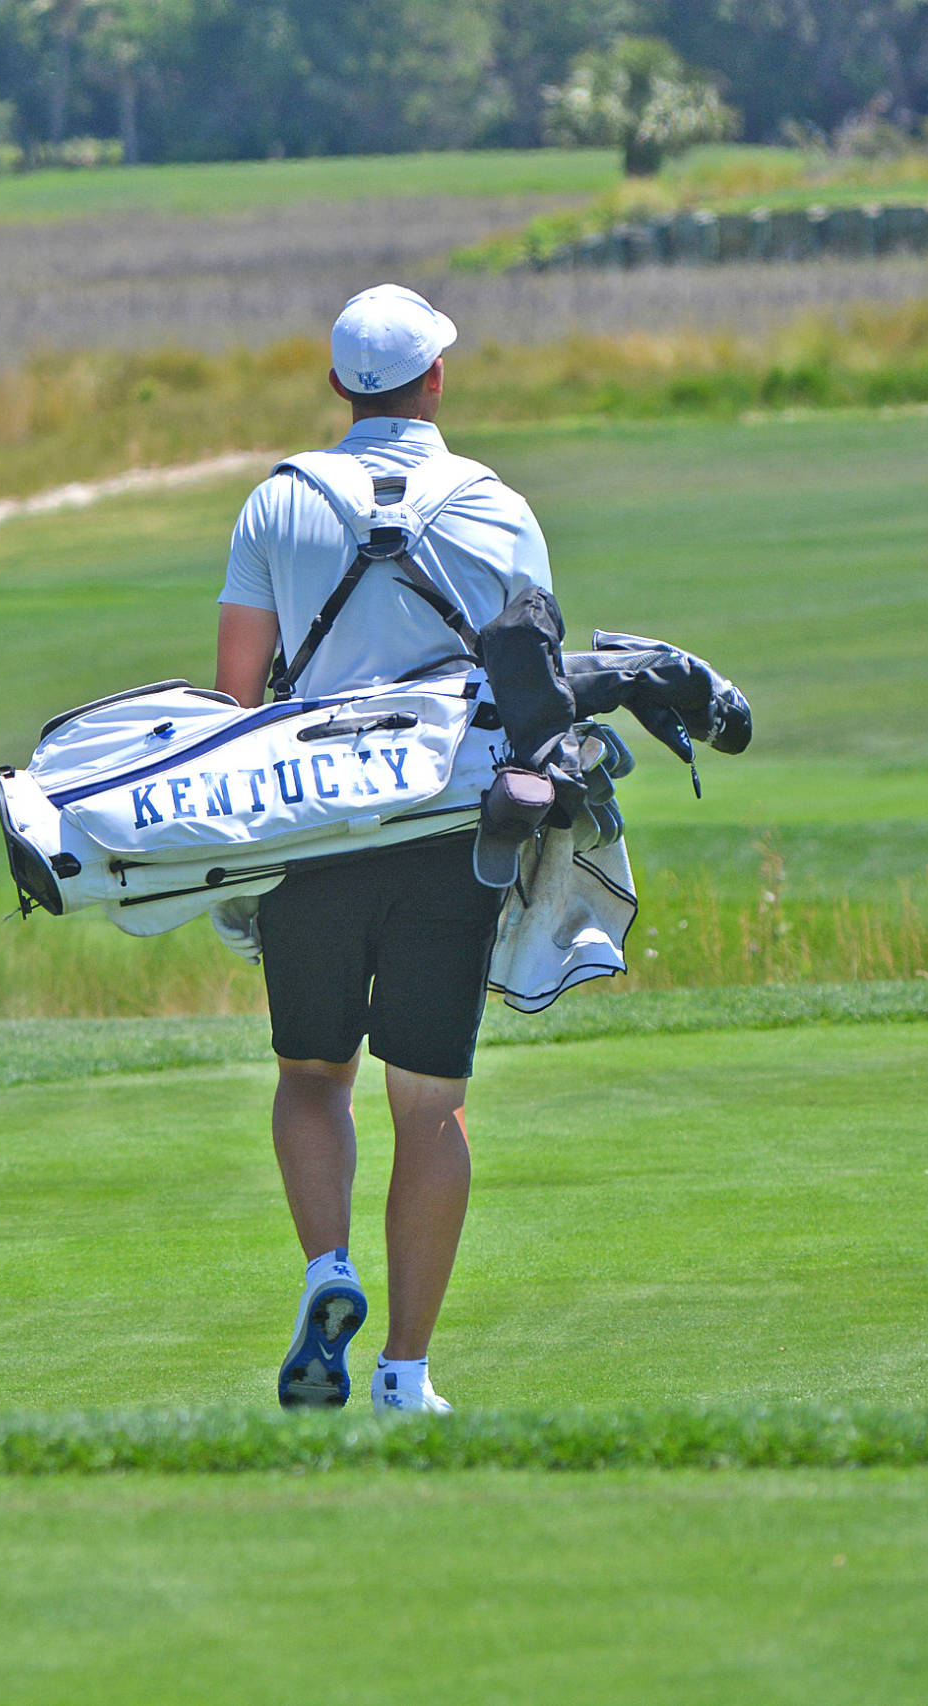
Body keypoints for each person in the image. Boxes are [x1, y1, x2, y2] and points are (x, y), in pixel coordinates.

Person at [212, 284, 555, 1416]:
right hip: (446, 835)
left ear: (336, 389)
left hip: (309, 829)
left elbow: (232, 694)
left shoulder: (277, 502)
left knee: (312, 1075)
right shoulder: (497, 504)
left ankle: (327, 1269)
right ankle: (405, 1370)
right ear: (438, 379)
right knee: (431, 1103)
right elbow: (534, 688)